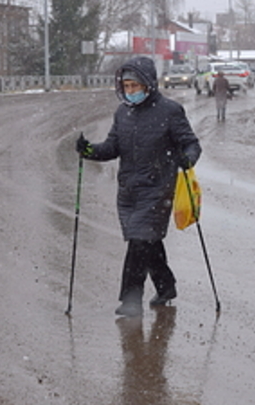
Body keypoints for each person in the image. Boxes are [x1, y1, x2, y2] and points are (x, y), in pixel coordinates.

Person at [76, 56, 202, 317]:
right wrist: (89, 150)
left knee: (139, 240)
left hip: (158, 189)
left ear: (148, 84)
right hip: (128, 192)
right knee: (148, 242)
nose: (130, 91)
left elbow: (191, 144)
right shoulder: (123, 112)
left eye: (135, 86)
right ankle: (166, 287)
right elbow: (112, 147)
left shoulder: (170, 111)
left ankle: (131, 299)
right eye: (126, 86)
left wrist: (186, 159)